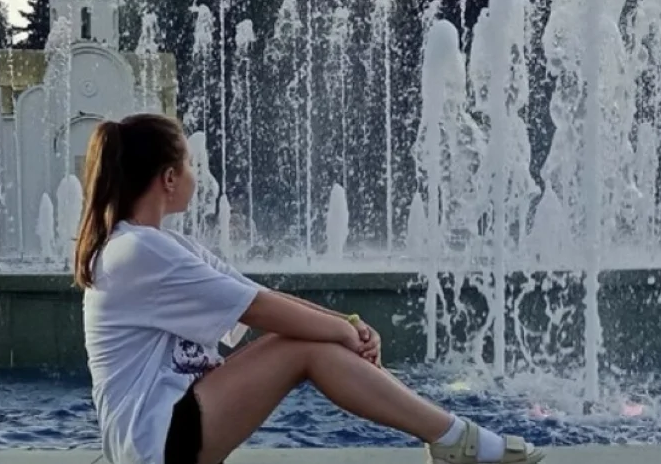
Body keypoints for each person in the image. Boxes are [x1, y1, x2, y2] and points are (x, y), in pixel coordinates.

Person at [74, 114, 545, 464]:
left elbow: (254, 292)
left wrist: (348, 324)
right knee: (302, 348)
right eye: (191, 165)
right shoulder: (137, 251)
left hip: (168, 427)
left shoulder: (159, 245)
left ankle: (452, 439)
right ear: (169, 178)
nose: (197, 176)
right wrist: (343, 334)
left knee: (305, 341)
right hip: (153, 441)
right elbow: (258, 309)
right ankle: (456, 440)